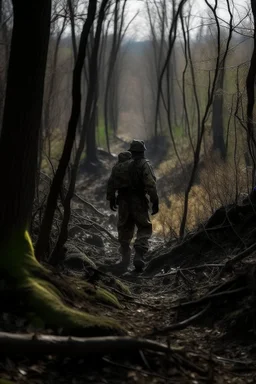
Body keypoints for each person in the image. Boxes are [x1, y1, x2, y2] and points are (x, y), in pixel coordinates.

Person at [107, 140, 159, 272]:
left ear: (131, 151)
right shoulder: (143, 164)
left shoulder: (119, 166)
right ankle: (139, 255)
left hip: (123, 201)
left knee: (124, 228)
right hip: (138, 200)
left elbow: (111, 183)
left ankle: (125, 258)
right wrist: (155, 201)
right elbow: (150, 184)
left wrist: (111, 199)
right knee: (144, 227)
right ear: (142, 151)